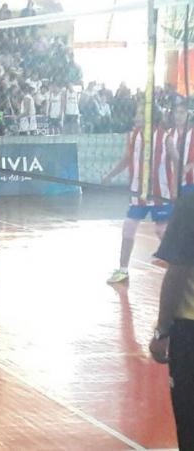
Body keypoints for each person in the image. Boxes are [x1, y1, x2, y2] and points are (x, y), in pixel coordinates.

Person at [103, 104, 178, 284]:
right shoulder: (133, 136)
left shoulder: (165, 137)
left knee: (162, 230)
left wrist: (175, 187)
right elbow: (126, 159)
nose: (135, 117)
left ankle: (182, 266)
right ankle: (123, 270)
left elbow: (177, 161)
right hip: (138, 192)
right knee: (128, 227)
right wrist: (110, 175)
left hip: (161, 192)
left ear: (148, 117)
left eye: (138, 113)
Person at [149, 190, 194, 451]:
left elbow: (177, 273)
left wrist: (162, 330)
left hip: (189, 330)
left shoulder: (190, 203)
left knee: (190, 420)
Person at [170, 100, 194, 197]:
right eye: (176, 112)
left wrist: (191, 165)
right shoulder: (169, 134)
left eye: (182, 112)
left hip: (190, 183)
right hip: (172, 182)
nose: (178, 116)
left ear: (189, 115)